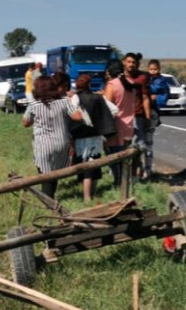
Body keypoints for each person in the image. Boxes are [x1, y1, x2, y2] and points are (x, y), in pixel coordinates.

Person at [22, 76, 82, 198]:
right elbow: (78, 117)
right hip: (61, 143)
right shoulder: (64, 101)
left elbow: (26, 123)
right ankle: (50, 197)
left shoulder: (34, 104)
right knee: (54, 172)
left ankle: (48, 202)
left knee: (45, 175)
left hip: (43, 145)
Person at [70, 74, 117, 202]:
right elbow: (114, 110)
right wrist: (101, 120)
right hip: (96, 135)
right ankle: (92, 194)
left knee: (85, 166)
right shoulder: (98, 97)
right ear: (89, 85)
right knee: (95, 164)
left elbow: (71, 112)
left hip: (81, 135)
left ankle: (86, 197)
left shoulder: (76, 97)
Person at [103, 55, 138, 185]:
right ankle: (126, 180)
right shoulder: (130, 83)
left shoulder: (112, 85)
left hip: (116, 125)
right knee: (125, 156)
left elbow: (107, 106)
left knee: (112, 155)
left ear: (109, 71)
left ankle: (118, 180)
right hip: (129, 124)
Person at [140, 59, 169, 180]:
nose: (153, 72)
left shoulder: (161, 81)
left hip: (153, 112)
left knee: (148, 142)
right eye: (151, 69)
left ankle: (148, 169)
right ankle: (139, 168)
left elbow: (162, 96)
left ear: (159, 69)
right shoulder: (145, 79)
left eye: (155, 69)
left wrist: (154, 98)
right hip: (141, 113)